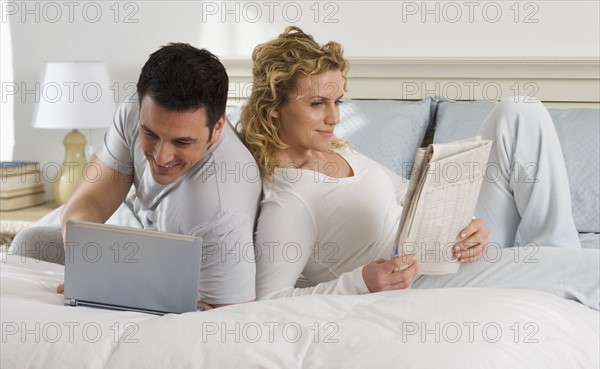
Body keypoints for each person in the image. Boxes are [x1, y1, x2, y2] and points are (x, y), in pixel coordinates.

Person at [238, 26, 599, 309]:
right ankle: (560, 266)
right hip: (424, 278)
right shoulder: (289, 198)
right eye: (318, 103)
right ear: (274, 109)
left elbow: (410, 195)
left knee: (519, 111)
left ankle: (554, 251)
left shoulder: (337, 150)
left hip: (447, 244)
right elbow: (269, 302)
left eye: (337, 101)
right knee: (591, 272)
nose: (334, 117)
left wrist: (468, 225)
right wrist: (361, 282)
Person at [13, 43, 262, 308]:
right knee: (31, 242)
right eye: (151, 134)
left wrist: (115, 289)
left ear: (217, 127)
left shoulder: (223, 207)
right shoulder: (135, 111)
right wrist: (96, 272)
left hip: (196, 276)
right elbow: (86, 205)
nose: (161, 156)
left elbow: (225, 317)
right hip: (142, 240)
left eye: (182, 142)